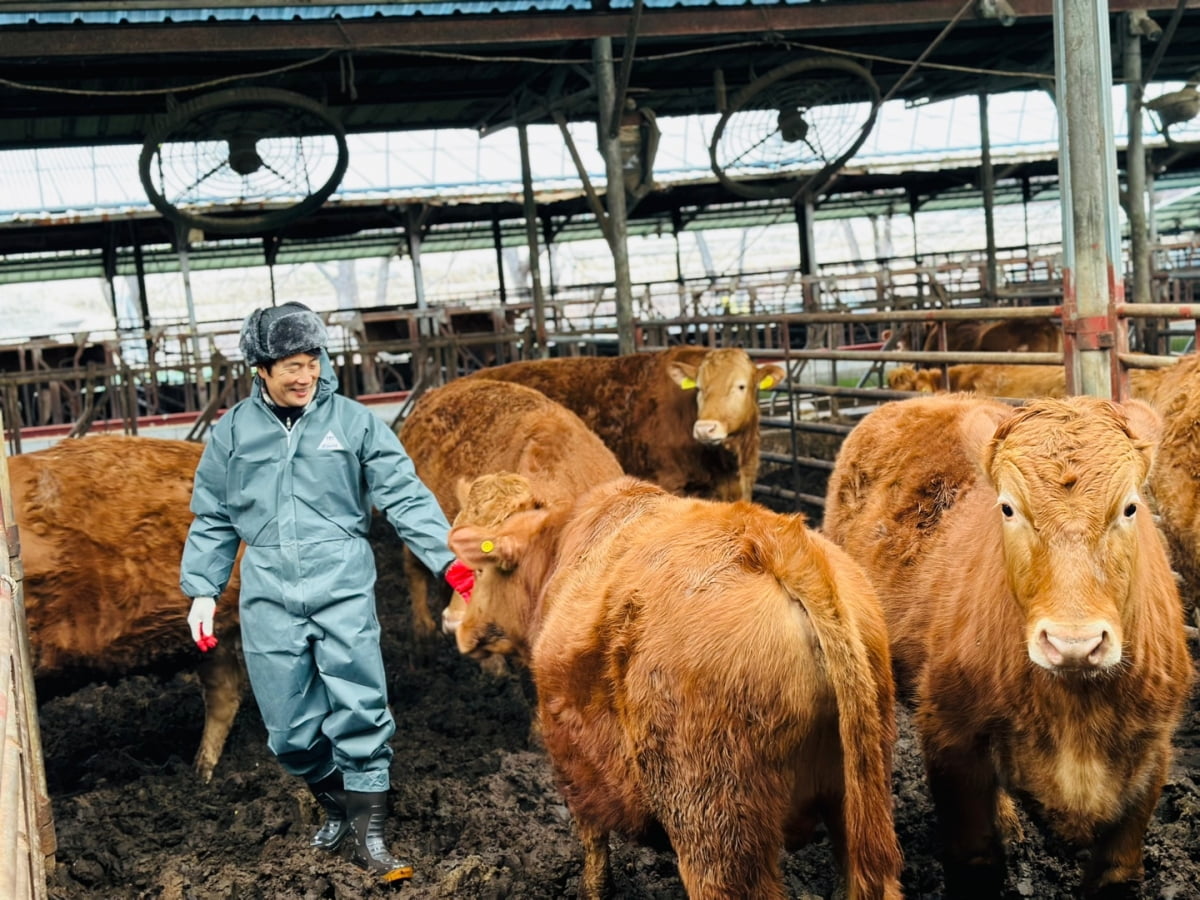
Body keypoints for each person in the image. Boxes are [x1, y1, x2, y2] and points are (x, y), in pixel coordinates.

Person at [179, 300, 474, 884]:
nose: (304, 375)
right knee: (287, 728)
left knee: (360, 707)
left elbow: (405, 496)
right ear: (260, 368)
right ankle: (336, 805)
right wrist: (203, 592)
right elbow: (212, 517)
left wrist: (452, 563)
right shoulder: (233, 433)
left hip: (342, 584)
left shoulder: (354, 423)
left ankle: (371, 838)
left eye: (311, 361)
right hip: (267, 590)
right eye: (289, 365)